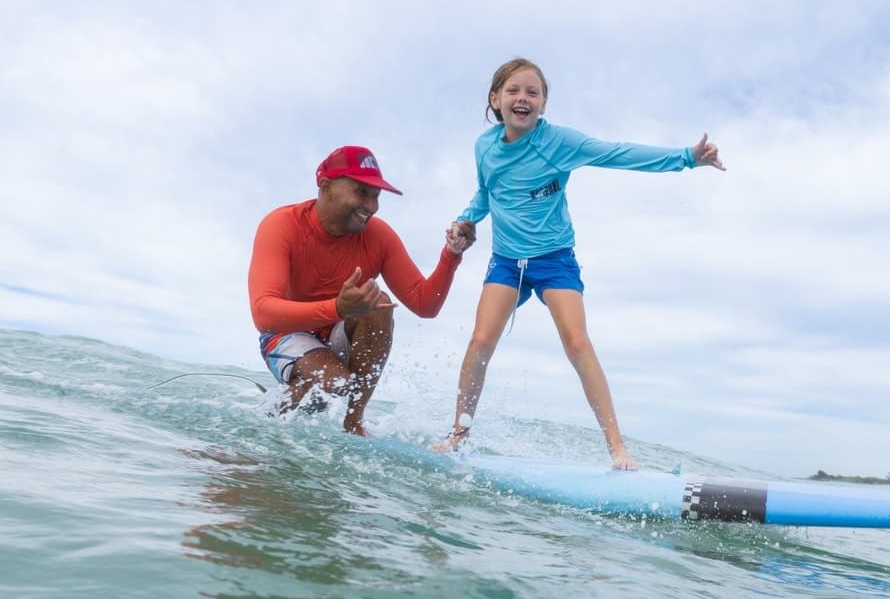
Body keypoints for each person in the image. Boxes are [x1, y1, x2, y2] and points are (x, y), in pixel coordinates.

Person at [433, 58, 724, 469]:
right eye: (514, 91)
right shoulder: (485, 147)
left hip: (554, 260)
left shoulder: (560, 143)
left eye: (533, 92)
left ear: (544, 104)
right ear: (496, 99)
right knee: (480, 341)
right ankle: (458, 435)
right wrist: (466, 220)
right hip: (507, 262)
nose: (523, 98)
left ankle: (617, 448)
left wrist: (686, 158)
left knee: (578, 342)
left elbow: (616, 153)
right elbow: (485, 193)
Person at [248, 145, 475, 435]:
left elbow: (425, 305)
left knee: (378, 305)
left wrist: (451, 255)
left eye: (376, 196)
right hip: (287, 333)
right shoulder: (281, 225)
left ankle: (353, 422)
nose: (371, 206)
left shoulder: (378, 235)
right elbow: (263, 314)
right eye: (361, 192)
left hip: (338, 330)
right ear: (326, 187)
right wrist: (337, 308)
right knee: (335, 382)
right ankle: (269, 422)